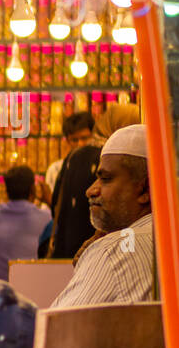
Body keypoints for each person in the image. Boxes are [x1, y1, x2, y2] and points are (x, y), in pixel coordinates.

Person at [51, 124, 154, 308]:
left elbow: (55, 329)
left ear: (144, 189)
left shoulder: (113, 251)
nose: (90, 191)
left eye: (106, 179)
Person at [50, 104, 140, 259]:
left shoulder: (75, 156)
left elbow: (56, 205)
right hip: (101, 254)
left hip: (70, 253)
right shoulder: (113, 158)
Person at [0, 166, 51, 282]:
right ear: (32, 189)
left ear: (6, 190)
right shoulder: (45, 217)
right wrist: (50, 201)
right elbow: (64, 228)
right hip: (24, 287)